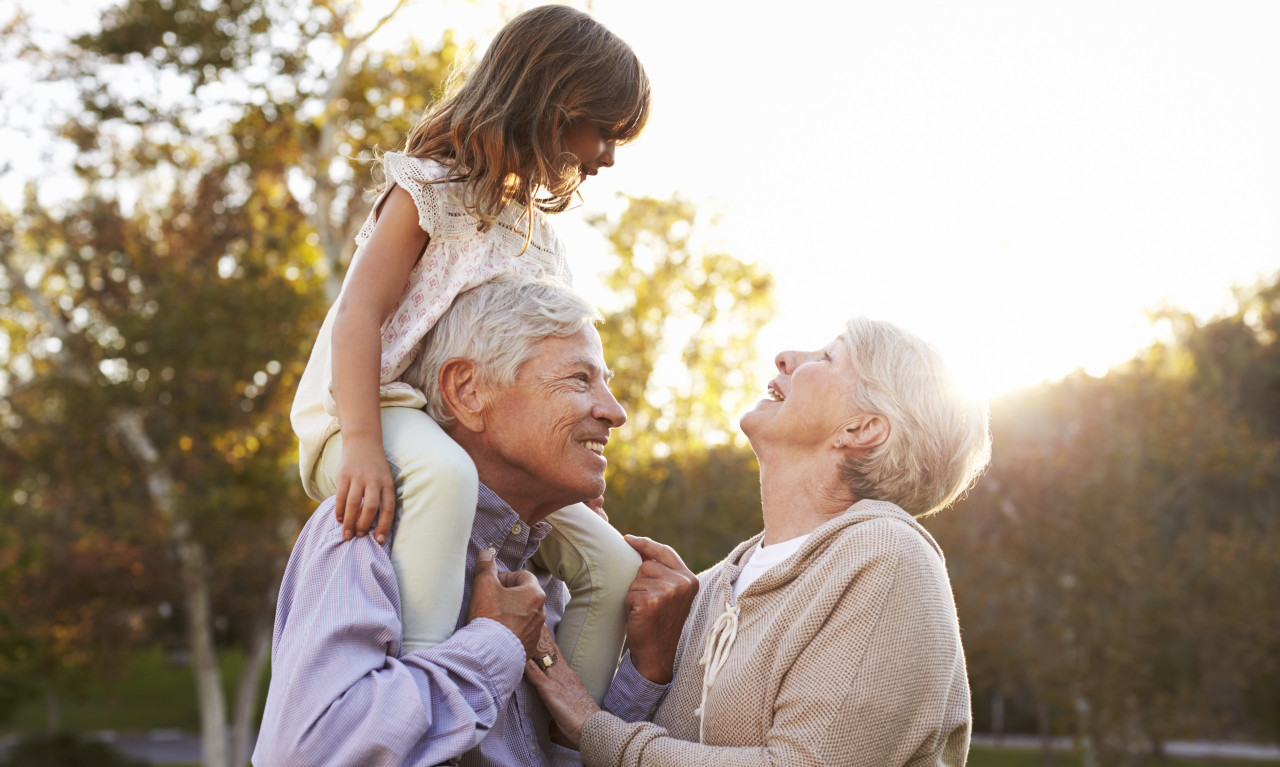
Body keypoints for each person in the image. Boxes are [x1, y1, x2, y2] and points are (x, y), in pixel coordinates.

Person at [289, 4, 651, 702]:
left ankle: (567, 732)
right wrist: (361, 441)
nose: (607, 157)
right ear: (552, 104)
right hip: (373, 402)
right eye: (604, 132)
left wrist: (569, 466)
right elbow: (358, 315)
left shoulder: (536, 233)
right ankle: (425, 696)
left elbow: (542, 360)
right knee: (445, 478)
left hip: (465, 423)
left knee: (609, 559)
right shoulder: (429, 185)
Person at [255, 277, 693, 767]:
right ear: (467, 390)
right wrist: (495, 643)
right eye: (580, 379)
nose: (615, 412)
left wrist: (648, 668)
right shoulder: (365, 533)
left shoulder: (546, 577)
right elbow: (310, 754)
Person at [525, 317, 993, 766]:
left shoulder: (888, 557)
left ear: (862, 429)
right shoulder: (710, 587)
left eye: (828, 357)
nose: (786, 357)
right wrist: (650, 665)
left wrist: (589, 723)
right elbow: (595, 754)